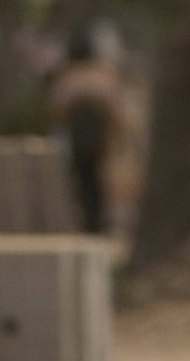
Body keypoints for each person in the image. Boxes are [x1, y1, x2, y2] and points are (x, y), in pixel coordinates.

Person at [49, 26, 130, 234]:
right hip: (98, 133)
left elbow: (58, 107)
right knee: (97, 175)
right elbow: (115, 106)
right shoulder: (102, 75)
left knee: (84, 176)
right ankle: (98, 218)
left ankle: (91, 218)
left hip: (82, 133)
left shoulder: (69, 77)